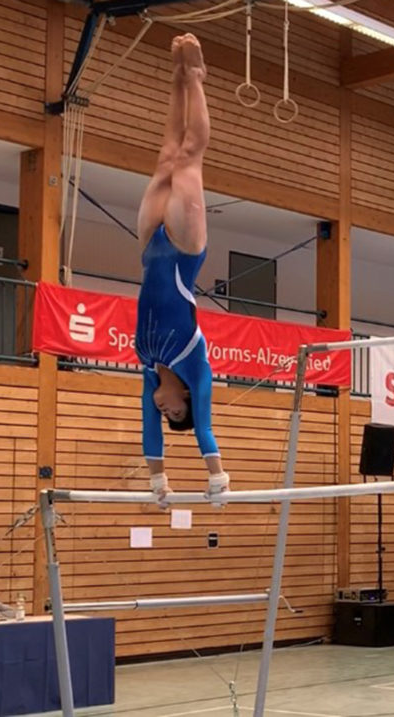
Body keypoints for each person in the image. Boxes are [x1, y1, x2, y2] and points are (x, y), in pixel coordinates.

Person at [136, 33, 228, 508]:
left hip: (150, 247)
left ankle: (177, 78)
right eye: (173, 412)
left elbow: (149, 432)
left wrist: (159, 483)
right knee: (190, 155)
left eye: (164, 413)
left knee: (166, 155)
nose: (162, 408)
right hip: (184, 251)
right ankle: (196, 77)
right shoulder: (196, 367)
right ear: (185, 402)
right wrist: (216, 479)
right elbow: (205, 427)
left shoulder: (149, 366)